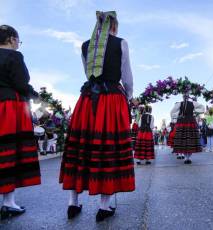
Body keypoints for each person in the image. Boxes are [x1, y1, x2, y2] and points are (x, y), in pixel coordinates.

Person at [59, 11, 136, 222]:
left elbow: (87, 71)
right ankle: (104, 207)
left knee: (81, 148)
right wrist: (128, 95)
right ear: (114, 26)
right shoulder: (121, 43)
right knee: (107, 148)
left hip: (87, 99)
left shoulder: (85, 45)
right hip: (110, 100)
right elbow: (126, 74)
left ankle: (72, 203)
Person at [0, 25, 41, 219]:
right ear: (11, 39)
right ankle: (8, 202)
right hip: (10, 107)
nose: (18, 43)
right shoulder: (15, 56)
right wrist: (35, 96)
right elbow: (21, 83)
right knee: (10, 152)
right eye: (18, 40)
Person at [171, 92, 205, 164]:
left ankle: (187, 157)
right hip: (189, 122)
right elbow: (202, 108)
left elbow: (172, 112)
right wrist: (195, 111)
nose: (185, 97)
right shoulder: (192, 103)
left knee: (185, 139)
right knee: (189, 139)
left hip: (184, 122)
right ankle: (187, 157)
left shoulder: (181, 104)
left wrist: (177, 115)